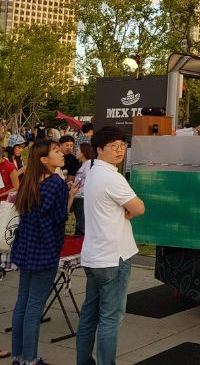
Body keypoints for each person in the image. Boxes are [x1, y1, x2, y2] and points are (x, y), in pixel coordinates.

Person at [76, 126, 145, 365]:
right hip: (114, 256)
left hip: (94, 256)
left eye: (122, 146)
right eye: (113, 146)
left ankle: (84, 361)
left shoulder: (93, 172)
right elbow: (139, 207)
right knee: (110, 318)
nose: (119, 151)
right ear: (99, 149)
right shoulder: (113, 177)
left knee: (89, 315)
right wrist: (129, 210)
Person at [10, 139, 79, 365]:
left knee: (23, 302)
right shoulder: (56, 184)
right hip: (45, 248)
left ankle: (18, 356)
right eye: (56, 151)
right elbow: (59, 218)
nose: (61, 154)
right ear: (43, 159)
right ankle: (30, 359)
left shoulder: (29, 181)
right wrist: (70, 197)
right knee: (34, 306)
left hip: (26, 247)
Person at [72, 142, 94, 237]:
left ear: (84, 152)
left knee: (81, 221)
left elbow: (88, 179)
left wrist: (76, 183)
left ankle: (80, 238)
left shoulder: (88, 164)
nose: (76, 152)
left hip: (83, 196)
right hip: (78, 195)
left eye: (78, 150)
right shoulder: (83, 164)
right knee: (79, 219)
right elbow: (81, 178)